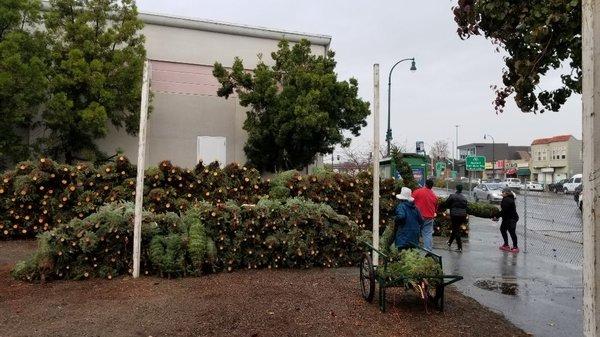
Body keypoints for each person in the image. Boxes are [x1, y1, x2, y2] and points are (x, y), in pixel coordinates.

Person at [412, 178, 438, 251]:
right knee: (427, 234)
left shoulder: (417, 192)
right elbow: (435, 208)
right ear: (432, 186)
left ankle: (413, 250)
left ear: (425, 184)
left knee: (415, 232)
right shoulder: (434, 196)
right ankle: (428, 250)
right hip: (429, 218)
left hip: (417, 216)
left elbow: (411, 201)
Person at [494, 188, 520, 253]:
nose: (502, 193)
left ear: (506, 193)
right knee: (503, 229)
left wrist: (497, 216)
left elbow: (504, 211)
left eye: (503, 192)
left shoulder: (507, 200)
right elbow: (504, 211)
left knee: (512, 232)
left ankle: (515, 247)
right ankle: (506, 245)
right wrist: (498, 216)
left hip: (511, 218)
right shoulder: (507, 198)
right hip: (507, 218)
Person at [445, 184, 468, 252]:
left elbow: (447, 204)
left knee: (456, 230)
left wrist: (450, 207)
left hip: (455, 215)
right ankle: (449, 242)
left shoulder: (452, 196)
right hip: (463, 215)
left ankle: (460, 247)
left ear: (456, 189)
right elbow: (466, 206)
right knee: (455, 229)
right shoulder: (464, 197)